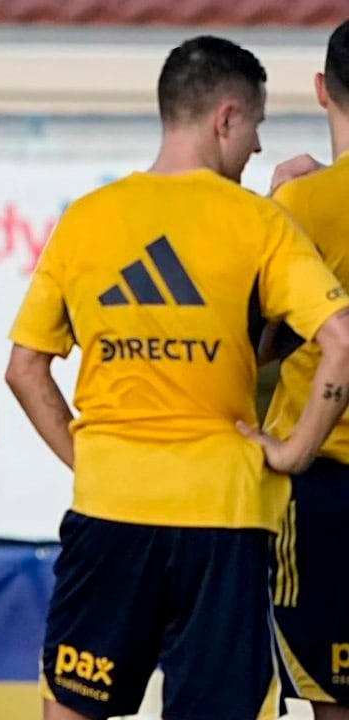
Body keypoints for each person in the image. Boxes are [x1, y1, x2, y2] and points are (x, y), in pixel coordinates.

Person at [5, 35, 349, 720]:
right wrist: (292, 452)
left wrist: (93, 459)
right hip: (223, 517)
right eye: (253, 126)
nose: (255, 148)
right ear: (225, 117)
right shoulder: (258, 221)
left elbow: (23, 369)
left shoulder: (87, 220)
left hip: (112, 506)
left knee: (74, 706)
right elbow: (340, 342)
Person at [261, 20, 349, 720]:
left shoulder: (300, 207)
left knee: (329, 696)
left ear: (322, 89)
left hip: (322, 475)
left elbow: (253, 345)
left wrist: (271, 205)